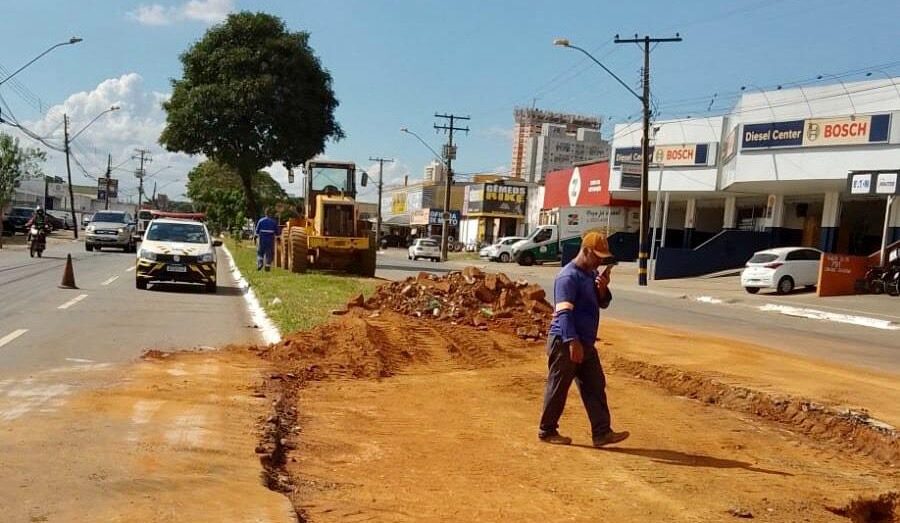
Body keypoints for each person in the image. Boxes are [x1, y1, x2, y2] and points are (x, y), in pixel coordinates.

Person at [538, 231, 629, 448]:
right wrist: (572, 342)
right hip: (566, 341)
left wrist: (602, 289)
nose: (600, 261)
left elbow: (601, 303)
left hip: (585, 342)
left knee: (595, 385)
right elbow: (564, 313)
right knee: (559, 387)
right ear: (585, 251)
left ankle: (602, 433)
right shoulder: (567, 277)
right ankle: (547, 430)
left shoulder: (590, 274)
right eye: (597, 256)